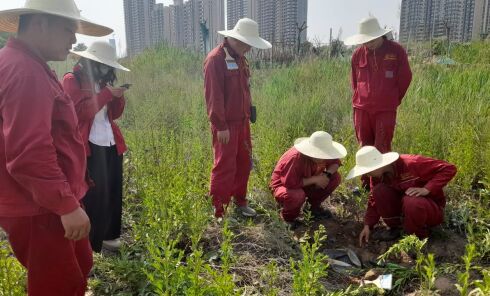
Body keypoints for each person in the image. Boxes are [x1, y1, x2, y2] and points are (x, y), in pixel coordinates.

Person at [0, 0, 112, 294]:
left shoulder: (29, 64)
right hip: (41, 207)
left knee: (76, 269)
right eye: (68, 29)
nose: (74, 40)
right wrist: (65, 204)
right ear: (40, 24)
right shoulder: (25, 72)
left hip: (47, 199)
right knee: (58, 285)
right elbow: (30, 153)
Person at [63, 41, 130, 252]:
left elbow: (114, 114)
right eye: (101, 64)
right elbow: (78, 112)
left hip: (110, 142)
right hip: (89, 146)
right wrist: (107, 95)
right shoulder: (71, 80)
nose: (104, 69)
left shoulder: (103, 83)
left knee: (112, 192)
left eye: (107, 66)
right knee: (94, 196)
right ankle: (90, 245)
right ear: (89, 61)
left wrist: (117, 97)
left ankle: (110, 238)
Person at [203, 18, 271, 218]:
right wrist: (220, 125)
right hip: (225, 125)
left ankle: (240, 202)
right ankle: (218, 210)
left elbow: (244, 89)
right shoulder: (216, 59)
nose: (250, 48)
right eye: (248, 43)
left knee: (243, 163)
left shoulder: (241, 58)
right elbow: (213, 96)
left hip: (242, 122)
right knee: (225, 166)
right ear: (238, 39)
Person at [344, 17, 412, 189]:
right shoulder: (358, 54)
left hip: (385, 109)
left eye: (372, 39)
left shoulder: (396, 51)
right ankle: (366, 184)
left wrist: (393, 99)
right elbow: (355, 81)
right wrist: (362, 97)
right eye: (366, 40)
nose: (369, 43)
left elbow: (405, 77)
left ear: (381, 35)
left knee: (382, 146)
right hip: (361, 109)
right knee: (364, 147)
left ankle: (382, 185)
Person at [346, 146, 457, 247]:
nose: (366, 174)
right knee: (379, 191)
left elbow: (449, 168)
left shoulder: (412, 163)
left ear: (376, 165)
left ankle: (417, 238)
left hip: (431, 210)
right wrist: (368, 225)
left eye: (367, 171)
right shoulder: (376, 176)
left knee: (412, 202)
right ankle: (397, 229)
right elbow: (373, 200)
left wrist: (426, 189)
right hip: (405, 210)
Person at [270, 131, 347, 225]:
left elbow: (335, 163)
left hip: (307, 181)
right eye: (319, 154)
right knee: (297, 195)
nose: (322, 158)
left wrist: (327, 174)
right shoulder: (295, 158)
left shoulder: (326, 152)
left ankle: (312, 207)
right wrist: (316, 179)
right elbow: (289, 183)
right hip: (284, 187)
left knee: (335, 177)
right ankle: (288, 219)